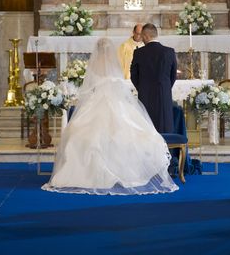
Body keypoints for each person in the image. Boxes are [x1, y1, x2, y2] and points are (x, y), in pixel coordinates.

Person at [42, 38, 177, 195]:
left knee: (85, 135)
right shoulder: (114, 65)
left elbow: (89, 87)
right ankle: (124, 171)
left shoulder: (94, 65)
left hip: (96, 101)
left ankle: (82, 174)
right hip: (115, 102)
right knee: (125, 133)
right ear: (110, 51)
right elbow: (120, 84)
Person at [130, 23, 177, 133]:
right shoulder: (169, 52)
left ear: (146, 36)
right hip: (163, 94)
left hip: (144, 94)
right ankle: (166, 149)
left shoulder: (138, 53)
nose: (141, 39)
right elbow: (173, 75)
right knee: (164, 127)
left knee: (146, 128)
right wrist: (165, 87)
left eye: (142, 37)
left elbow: (134, 75)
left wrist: (142, 87)